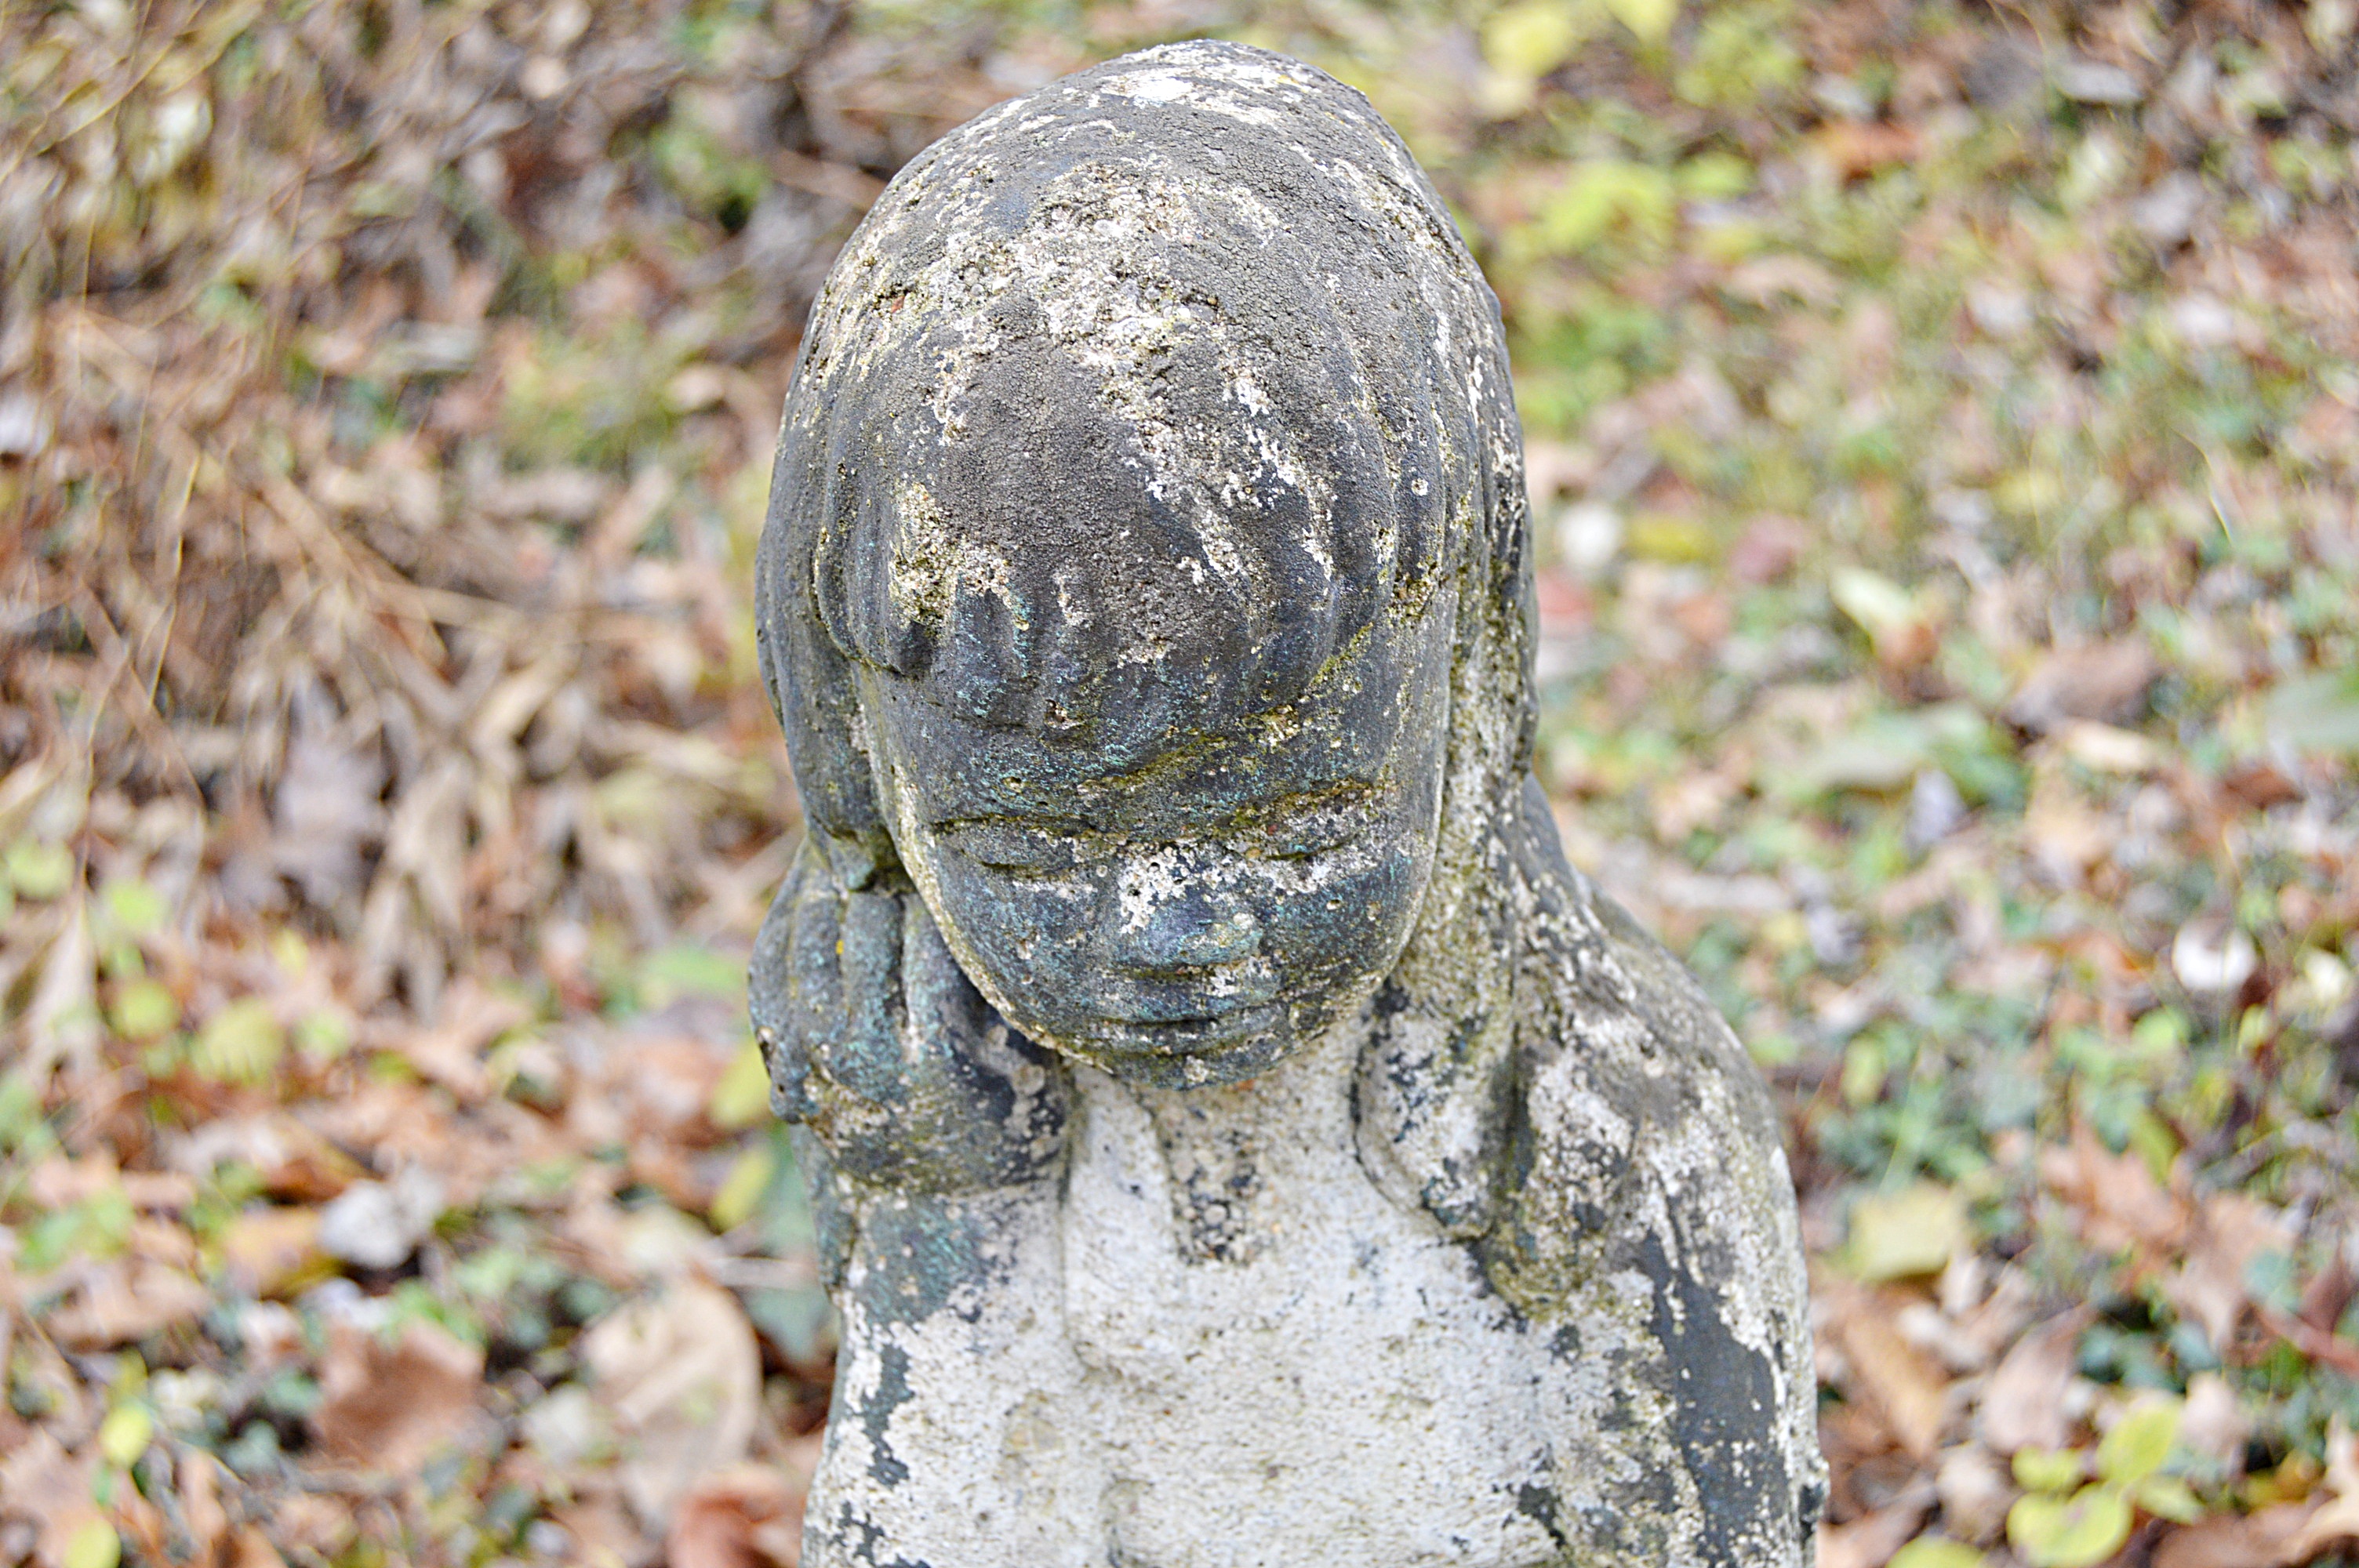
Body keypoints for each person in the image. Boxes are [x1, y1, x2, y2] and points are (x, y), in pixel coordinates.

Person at [752, 39, 1824, 1568]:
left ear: (1463, 698)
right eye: (1040, 852)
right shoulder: (929, 1091)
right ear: (867, 778)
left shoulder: (1605, 1135)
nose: (1174, 928)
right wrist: (944, 1232)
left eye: (1295, 826)